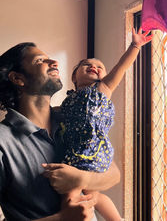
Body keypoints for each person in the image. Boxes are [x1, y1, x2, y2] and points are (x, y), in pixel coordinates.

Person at [0, 42, 120, 221]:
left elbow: (114, 175)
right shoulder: (3, 141)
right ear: (18, 78)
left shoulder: (75, 120)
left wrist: (82, 179)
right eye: (40, 60)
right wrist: (62, 219)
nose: (54, 62)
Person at [42, 27, 152, 221]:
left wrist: (135, 46)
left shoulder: (101, 89)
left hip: (93, 150)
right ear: (74, 77)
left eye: (99, 66)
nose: (94, 66)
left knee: (72, 194)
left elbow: (121, 67)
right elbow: (55, 113)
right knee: (93, 194)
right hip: (75, 150)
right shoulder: (69, 101)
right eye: (86, 64)